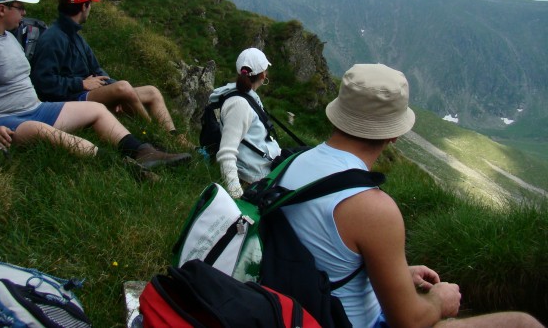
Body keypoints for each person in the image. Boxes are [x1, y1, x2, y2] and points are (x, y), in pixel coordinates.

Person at [279, 64, 543, 328]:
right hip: (354, 322)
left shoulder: (290, 164)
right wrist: (441, 300)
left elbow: (323, 256)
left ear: (337, 116)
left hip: (297, 313)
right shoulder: (372, 207)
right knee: (523, 323)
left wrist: (396, 274)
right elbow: (409, 322)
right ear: (394, 134)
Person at [0, 0, 190, 170]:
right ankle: (121, 167)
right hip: (3, 118)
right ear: (1, 9)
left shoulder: (8, 37)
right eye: (20, 7)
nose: (24, 12)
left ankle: (143, 152)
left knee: (97, 110)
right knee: (40, 130)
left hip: (35, 108)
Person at [29, 0, 192, 148]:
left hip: (88, 92)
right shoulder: (53, 38)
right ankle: (154, 134)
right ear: (84, 6)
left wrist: (112, 91)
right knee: (123, 87)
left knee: (152, 91)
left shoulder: (76, 37)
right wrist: (81, 83)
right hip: (70, 99)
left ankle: (173, 136)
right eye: (90, 4)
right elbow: (42, 82)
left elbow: (98, 70)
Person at [209, 47, 282, 198]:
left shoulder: (246, 95)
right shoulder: (239, 104)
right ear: (263, 75)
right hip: (255, 177)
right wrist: (237, 196)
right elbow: (227, 153)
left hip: (261, 166)